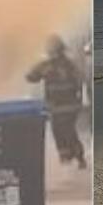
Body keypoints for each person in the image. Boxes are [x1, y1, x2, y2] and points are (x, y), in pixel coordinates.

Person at [27, 35, 87, 169]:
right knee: (65, 131)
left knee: (63, 131)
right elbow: (31, 77)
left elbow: (30, 77)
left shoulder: (53, 65)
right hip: (64, 106)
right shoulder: (66, 64)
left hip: (64, 106)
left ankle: (72, 157)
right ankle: (71, 157)